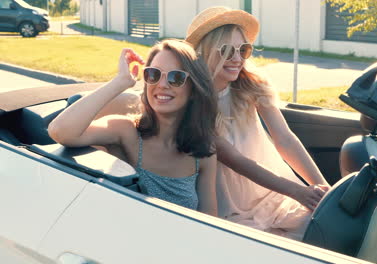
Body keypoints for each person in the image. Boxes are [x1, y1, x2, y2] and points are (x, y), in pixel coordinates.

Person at [185, 6, 330, 239]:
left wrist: (323, 189)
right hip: (231, 204)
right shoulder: (193, 102)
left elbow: (285, 138)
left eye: (243, 49)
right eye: (227, 50)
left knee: (323, 230)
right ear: (205, 52)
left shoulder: (251, 84)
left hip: (274, 192)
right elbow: (235, 160)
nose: (237, 58)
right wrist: (298, 192)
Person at [48, 39, 218, 216]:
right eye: (153, 74)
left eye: (176, 77)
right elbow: (59, 130)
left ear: (194, 90)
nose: (161, 84)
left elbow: (210, 220)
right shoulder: (125, 131)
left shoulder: (204, 151)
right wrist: (121, 81)